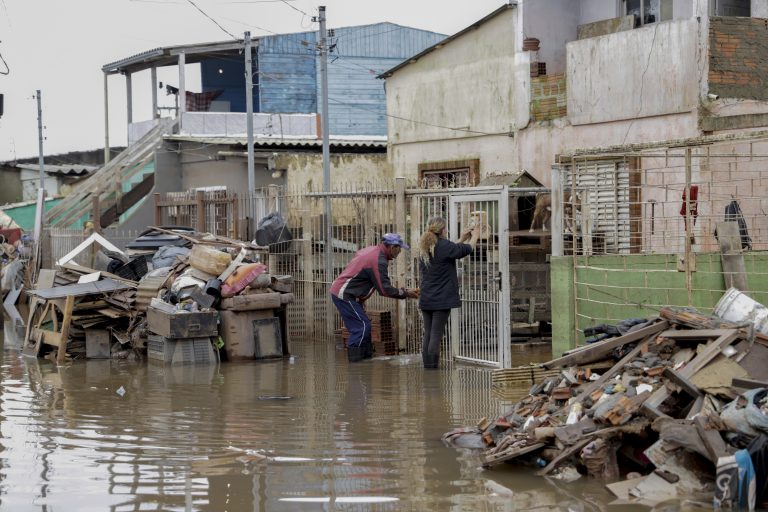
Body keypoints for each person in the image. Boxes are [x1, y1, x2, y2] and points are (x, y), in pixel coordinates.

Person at [330, 233, 419, 362]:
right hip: (344, 294)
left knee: (364, 327)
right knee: (362, 327)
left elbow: (366, 279)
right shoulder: (378, 260)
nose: (400, 252)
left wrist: (404, 291)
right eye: (399, 248)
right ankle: (356, 368)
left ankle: (364, 362)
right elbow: (384, 290)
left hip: (349, 294)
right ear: (392, 247)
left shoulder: (373, 252)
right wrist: (406, 294)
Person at [418, 218, 482, 369]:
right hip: (441, 298)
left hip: (426, 297)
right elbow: (467, 250)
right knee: (436, 334)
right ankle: (432, 372)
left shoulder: (426, 245)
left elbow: (450, 251)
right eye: (446, 229)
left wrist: (462, 238)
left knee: (428, 333)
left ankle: (427, 369)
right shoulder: (444, 246)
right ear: (443, 230)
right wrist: (475, 236)